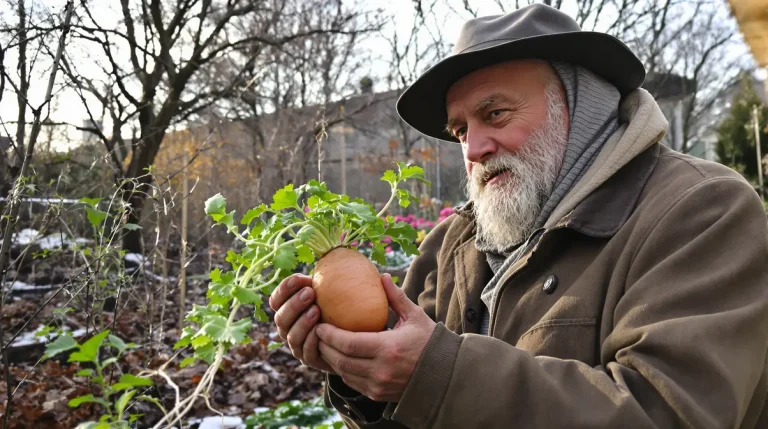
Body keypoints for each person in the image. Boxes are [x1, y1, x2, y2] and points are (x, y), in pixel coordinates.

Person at [269, 4, 768, 428]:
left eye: (496, 114)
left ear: (581, 107)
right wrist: (363, 374)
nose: (474, 149)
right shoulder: (453, 244)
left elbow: (672, 412)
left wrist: (438, 373)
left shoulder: (702, 210)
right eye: (460, 129)